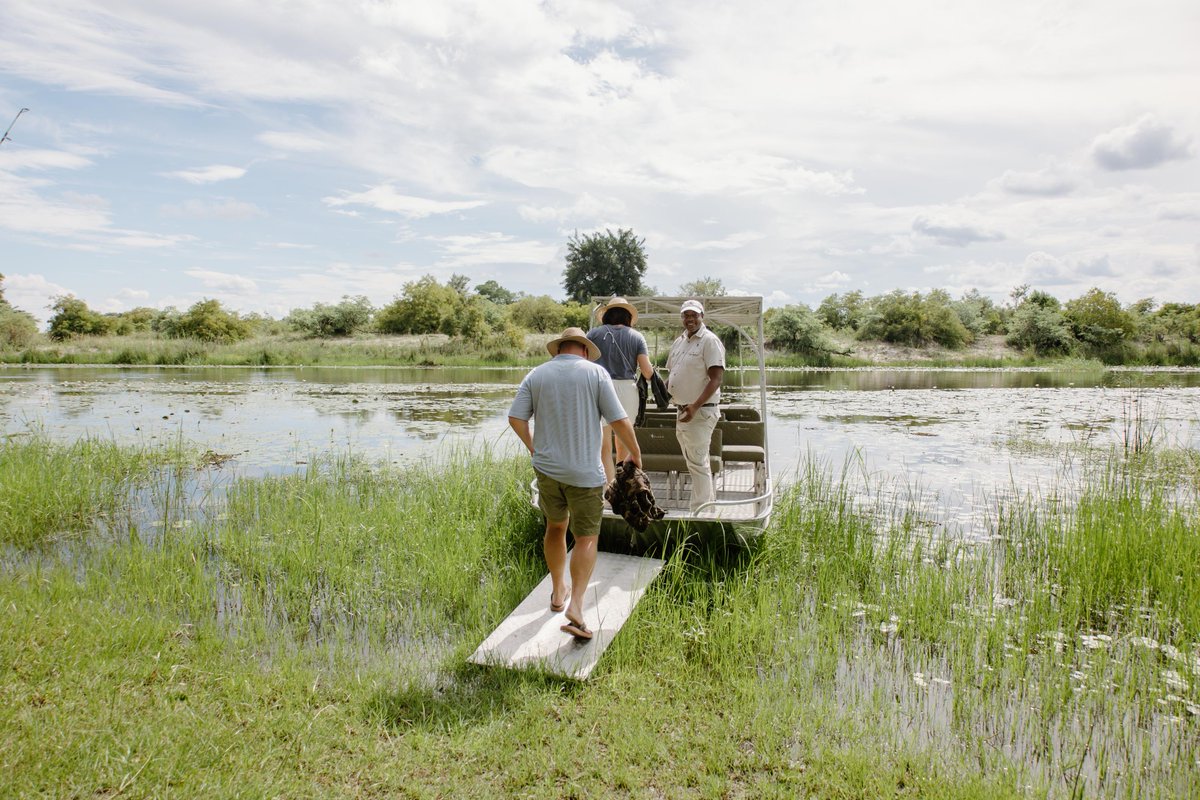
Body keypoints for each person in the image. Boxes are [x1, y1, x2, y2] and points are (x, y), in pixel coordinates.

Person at [508, 327, 642, 642]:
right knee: (586, 538)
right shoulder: (596, 374)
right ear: (583, 349)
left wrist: (533, 448)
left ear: (559, 350)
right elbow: (620, 421)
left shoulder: (537, 375)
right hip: (585, 474)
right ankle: (577, 607)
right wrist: (635, 454)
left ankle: (557, 593)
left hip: (548, 470)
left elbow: (516, 418)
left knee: (555, 528)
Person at [586, 296, 655, 484]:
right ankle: (621, 485)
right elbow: (647, 371)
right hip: (627, 389)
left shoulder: (593, 335)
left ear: (607, 314)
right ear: (628, 317)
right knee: (623, 440)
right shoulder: (636, 336)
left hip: (600, 386)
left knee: (603, 444)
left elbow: (585, 364)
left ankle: (607, 487)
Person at [665, 299, 725, 513]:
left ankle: (701, 513)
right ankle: (706, 509)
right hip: (681, 411)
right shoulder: (679, 341)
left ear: (702, 316)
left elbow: (716, 379)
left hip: (699, 412)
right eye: (686, 315)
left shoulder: (710, 341)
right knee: (695, 463)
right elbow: (673, 373)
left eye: (694, 315)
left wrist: (695, 406)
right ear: (682, 318)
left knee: (698, 464)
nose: (689, 319)